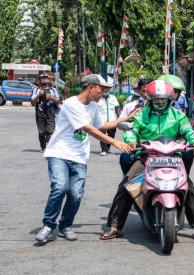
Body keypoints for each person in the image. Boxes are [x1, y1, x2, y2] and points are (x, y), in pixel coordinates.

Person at [101, 80, 194, 244]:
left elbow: (188, 130)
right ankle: (115, 226)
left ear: (169, 99)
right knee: (128, 185)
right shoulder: (141, 114)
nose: (159, 102)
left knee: (188, 186)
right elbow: (132, 130)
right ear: (149, 99)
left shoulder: (178, 115)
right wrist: (131, 140)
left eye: (163, 99)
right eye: (156, 99)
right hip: (147, 157)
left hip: (172, 158)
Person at [34, 74, 133, 244]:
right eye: (101, 90)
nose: (102, 93)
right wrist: (115, 142)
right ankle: (49, 225)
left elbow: (100, 126)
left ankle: (65, 225)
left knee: (76, 194)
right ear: (90, 87)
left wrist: (121, 120)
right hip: (59, 153)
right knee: (59, 187)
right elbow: (89, 129)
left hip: (79, 157)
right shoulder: (71, 104)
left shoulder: (94, 107)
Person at [31, 74, 61, 152]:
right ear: (40, 80)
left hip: (50, 113)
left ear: (48, 80)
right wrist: (38, 95)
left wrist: (51, 98)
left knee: (50, 131)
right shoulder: (36, 90)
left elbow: (58, 102)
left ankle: (49, 145)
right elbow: (32, 103)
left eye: (46, 78)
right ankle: (43, 147)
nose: (44, 80)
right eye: (42, 79)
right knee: (41, 132)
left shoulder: (53, 90)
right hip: (40, 113)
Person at [97, 91, 121, 156]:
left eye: (107, 89)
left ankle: (108, 147)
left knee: (112, 134)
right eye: (104, 89)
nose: (106, 90)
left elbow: (117, 108)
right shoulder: (98, 98)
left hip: (112, 120)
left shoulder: (113, 98)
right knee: (102, 135)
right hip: (102, 121)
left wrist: (120, 118)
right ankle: (103, 149)